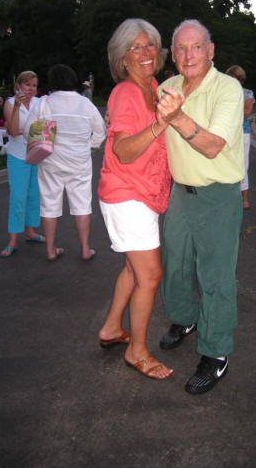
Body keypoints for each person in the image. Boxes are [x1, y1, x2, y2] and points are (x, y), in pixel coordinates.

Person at [156, 20, 244, 394]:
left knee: (215, 277)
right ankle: (185, 319)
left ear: (211, 51)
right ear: (172, 54)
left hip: (218, 194)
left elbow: (211, 146)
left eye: (196, 47)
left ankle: (216, 351)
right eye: (180, 48)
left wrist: (176, 116)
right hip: (179, 192)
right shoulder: (166, 88)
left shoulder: (228, 88)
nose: (188, 55)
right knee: (174, 266)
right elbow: (155, 135)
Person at [97, 19, 173, 380]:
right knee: (151, 274)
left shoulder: (154, 87)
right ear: (122, 57)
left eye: (150, 45)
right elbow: (124, 150)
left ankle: (113, 328)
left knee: (133, 268)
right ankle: (137, 351)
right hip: (128, 193)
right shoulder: (127, 93)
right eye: (136, 47)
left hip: (144, 192)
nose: (145, 53)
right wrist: (159, 124)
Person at [24, 64, 106, 261]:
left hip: (51, 162)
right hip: (79, 162)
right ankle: (86, 249)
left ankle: (51, 250)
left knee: (49, 205)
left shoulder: (44, 103)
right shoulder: (85, 104)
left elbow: (29, 132)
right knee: (82, 205)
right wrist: (90, 147)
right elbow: (101, 131)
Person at [0, 71, 44, 258]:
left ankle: (30, 232)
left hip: (37, 155)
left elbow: (45, 127)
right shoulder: (10, 103)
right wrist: (17, 107)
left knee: (34, 196)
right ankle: (12, 240)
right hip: (18, 157)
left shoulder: (39, 102)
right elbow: (11, 131)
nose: (31, 89)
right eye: (27, 85)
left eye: (34, 85)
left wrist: (23, 131)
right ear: (18, 86)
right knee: (18, 197)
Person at [226, 65, 255, 209]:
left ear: (240, 79)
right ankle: (229, 196)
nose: (230, 81)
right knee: (226, 164)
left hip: (242, 133)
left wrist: (228, 111)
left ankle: (244, 197)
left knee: (243, 165)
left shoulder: (247, 93)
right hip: (227, 132)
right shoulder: (223, 93)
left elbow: (247, 111)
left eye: (233, 78)